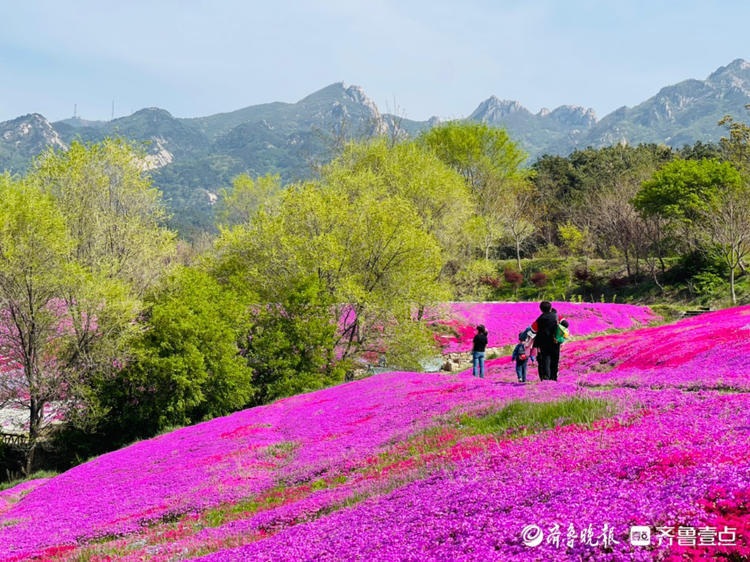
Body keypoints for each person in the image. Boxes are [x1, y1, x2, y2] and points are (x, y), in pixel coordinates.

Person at [531, 301, 561, 381]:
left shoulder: (540, 319)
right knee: (555, 359)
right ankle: (554, 377)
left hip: (543, 342)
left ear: (541, 309)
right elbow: (566, 324)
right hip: (555, 341)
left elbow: (533, 330)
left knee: (546, 359)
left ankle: (547, 378)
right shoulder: (556, 316)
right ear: (551, 308)